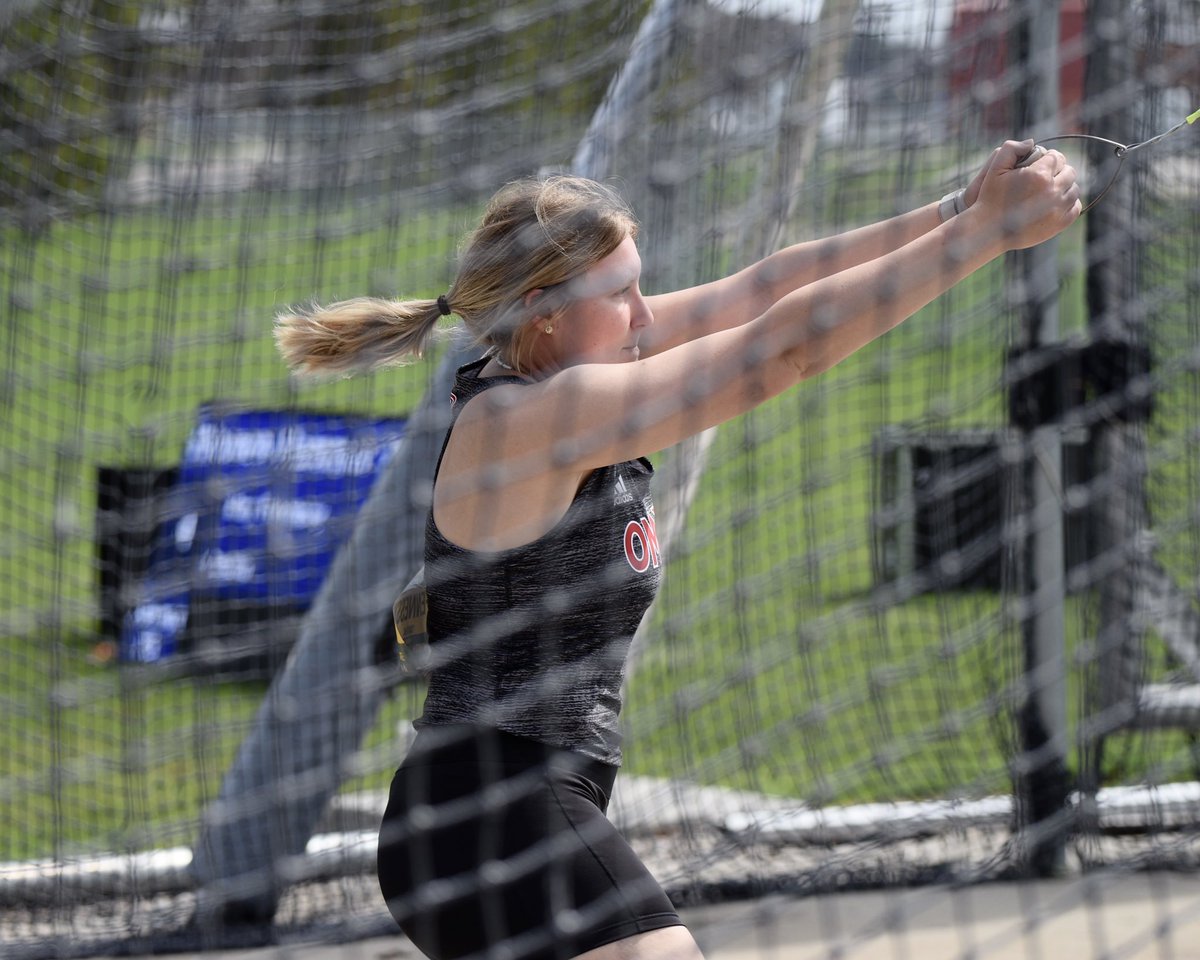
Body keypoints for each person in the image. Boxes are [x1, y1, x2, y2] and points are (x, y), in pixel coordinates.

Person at [274, 140, 1080, 960]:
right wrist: (985, 237)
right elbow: (785, 348)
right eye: (622, 292)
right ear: (545, 309)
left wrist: (959, 209)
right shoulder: (537, 414)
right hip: (490, 813)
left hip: (502, 811)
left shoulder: (576, 362)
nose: (647, 314)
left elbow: (764, 290)